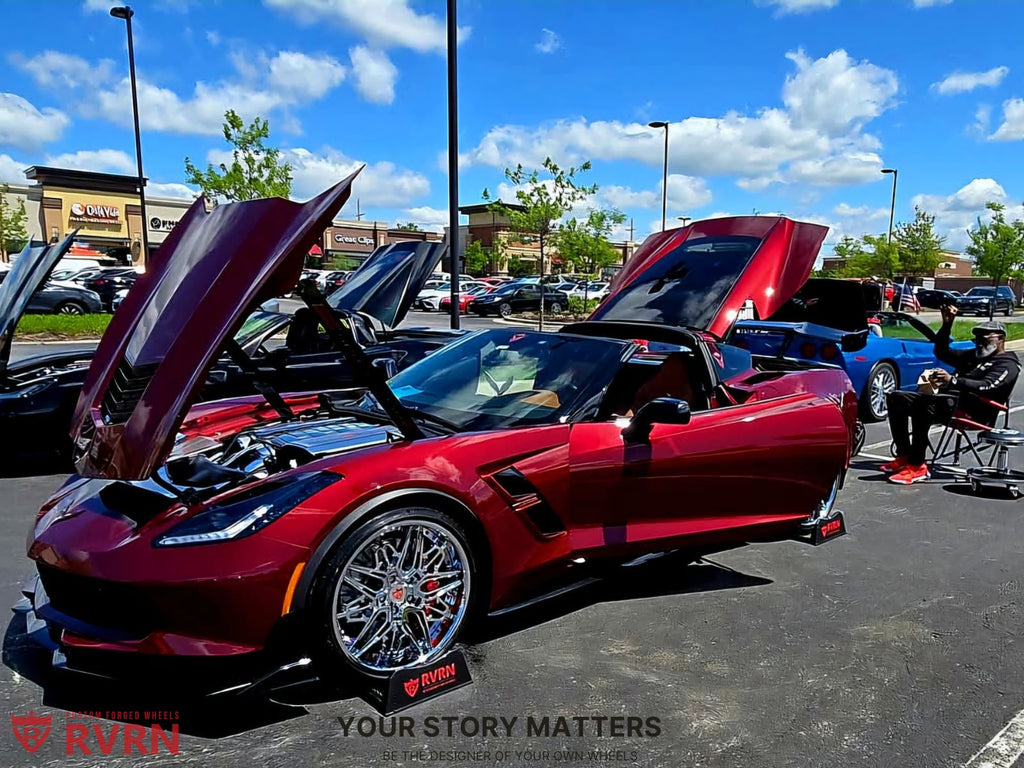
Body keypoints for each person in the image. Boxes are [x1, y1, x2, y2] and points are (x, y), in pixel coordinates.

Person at [882, 303, 1021, 484]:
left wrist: (953, 381)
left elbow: (988, 386)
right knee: (896, 398)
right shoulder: (974, 355)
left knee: (925, 404)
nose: (979, 340)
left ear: (1000, 338)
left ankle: (917, 466)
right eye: (977, 336)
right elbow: (942, 352)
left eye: (985, 336)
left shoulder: (1007, 364)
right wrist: (947, 324)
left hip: (977, 411)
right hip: (949, 403)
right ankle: (905, 456)